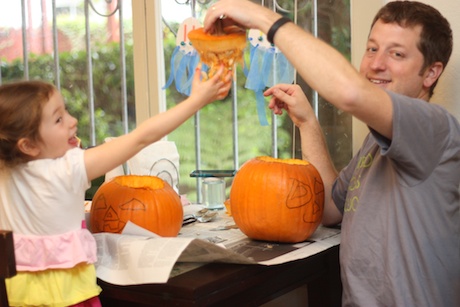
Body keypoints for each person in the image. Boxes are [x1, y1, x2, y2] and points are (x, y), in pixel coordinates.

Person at [205, 1, 459, 306]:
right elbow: (328, 209)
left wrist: (261, 18)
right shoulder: (375, 144)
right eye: (372, 48)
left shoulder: (435, 129)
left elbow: (351, 93)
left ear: (431, 73)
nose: (376, 64)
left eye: (397, 54)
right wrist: (306, 122)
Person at [0, 65, 231, 306]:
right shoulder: (66, 170)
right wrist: (196, 100)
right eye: (58, 119)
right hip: (68, 296)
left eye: (66, 111)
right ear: (27, 145)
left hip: (15, 294)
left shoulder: (5, 170)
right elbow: (141, 137)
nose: (72, 121)